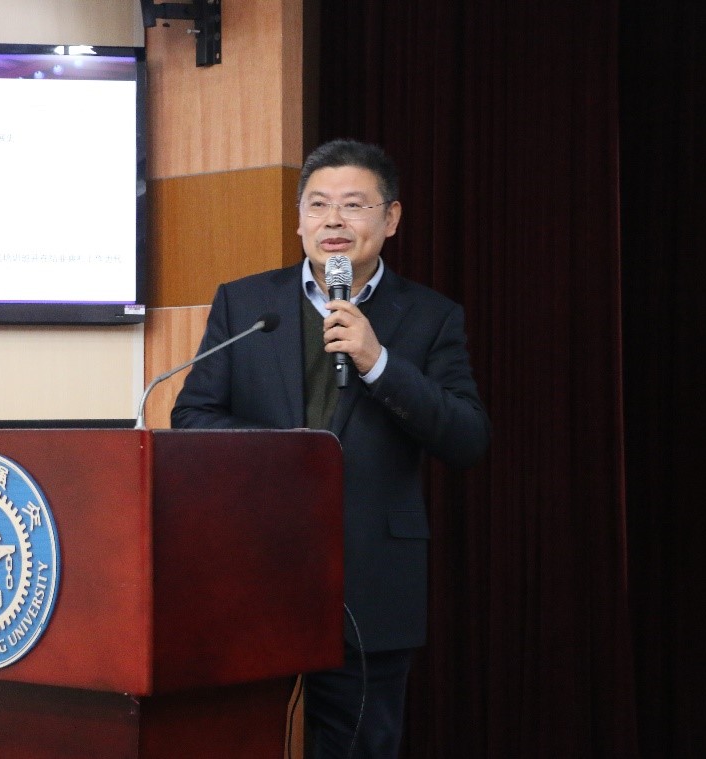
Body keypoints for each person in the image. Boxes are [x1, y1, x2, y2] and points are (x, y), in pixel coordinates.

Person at [170, 138, 490, 757]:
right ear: (298, 220)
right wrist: (291, 454)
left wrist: (378, 362)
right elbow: (193, 414)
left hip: (371, 577)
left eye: (353, 205)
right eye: (317, 205)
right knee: (237, 740)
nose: (333, 221)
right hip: (256, 567)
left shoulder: (430, 316)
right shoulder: (246, 302)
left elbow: (467, 438)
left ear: (390, 218)